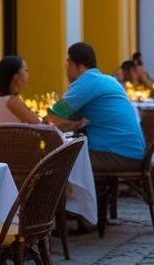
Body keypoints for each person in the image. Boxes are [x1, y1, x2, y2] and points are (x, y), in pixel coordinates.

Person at [47, 42, 145, 171]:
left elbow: (52, 116)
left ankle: (66, 192)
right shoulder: (108, 80)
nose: (66, 69)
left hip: (119, 155)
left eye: (68, 64)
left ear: (81, 67)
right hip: (135, 152)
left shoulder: (86, 81)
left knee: (60, 161)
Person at [0, 55, 40, 126]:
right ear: (16, 77)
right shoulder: (11, 101)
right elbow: (36, 122)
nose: (28, 74)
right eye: (26, 70)